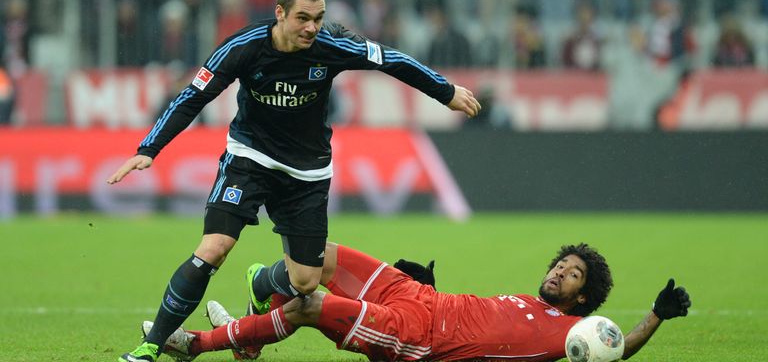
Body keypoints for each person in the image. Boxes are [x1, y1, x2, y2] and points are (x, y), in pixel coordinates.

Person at [109, 0, 481, 362]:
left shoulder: (331, 46)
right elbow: (193, 96)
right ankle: (150, 346)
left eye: (318, 18)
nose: (311, 28)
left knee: (304, 282)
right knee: (214, 248)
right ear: (280, 13)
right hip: (250, 158)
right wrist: (149, 147)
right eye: (303, 18)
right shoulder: (244, 47)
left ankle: (260, 283)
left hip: (307, 172)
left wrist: (445, 91)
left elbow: (392, 60)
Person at [148, 242, 691, 362]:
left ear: (585, 298)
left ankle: (199, 344)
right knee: (321, 257)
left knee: (310, 308)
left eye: (573, 275)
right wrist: (428, 285)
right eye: (561, 264)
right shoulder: (530, 301)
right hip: (419, 298)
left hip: (415, 336)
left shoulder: (571, 339)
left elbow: (617, 349)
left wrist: (654, 317)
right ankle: (252, 331)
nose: (559, 273)